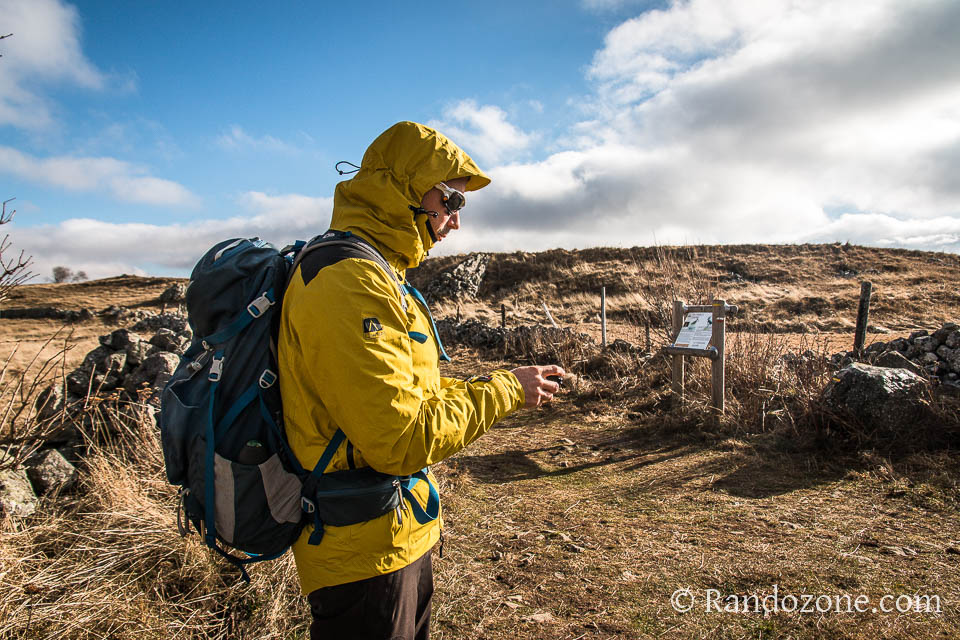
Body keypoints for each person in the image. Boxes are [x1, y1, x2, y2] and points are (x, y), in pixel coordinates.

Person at [277, 121, 564, 640]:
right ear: (403, 188)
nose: (455, 220)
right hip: (361, 551)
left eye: (461, 206)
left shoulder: (380, 274)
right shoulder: (350, 282)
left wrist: (504, 382)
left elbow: (415, 398)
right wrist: (505, 391)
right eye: (450, 199)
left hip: (393, 533)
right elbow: (401, 438)